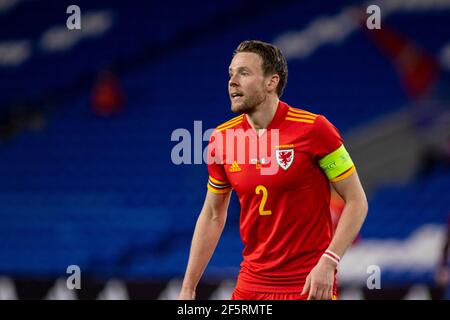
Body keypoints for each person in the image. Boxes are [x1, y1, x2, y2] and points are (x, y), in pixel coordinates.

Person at [178, 40, 368, 300]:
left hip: (308, 284)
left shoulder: (315, 129)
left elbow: (357, 201)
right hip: (251, 285)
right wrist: (188, 287)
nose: (233, 81)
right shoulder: (221, 139)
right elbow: (212, 215)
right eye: (231, 73)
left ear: (271, 82)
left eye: (244, 73)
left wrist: (329, 261)